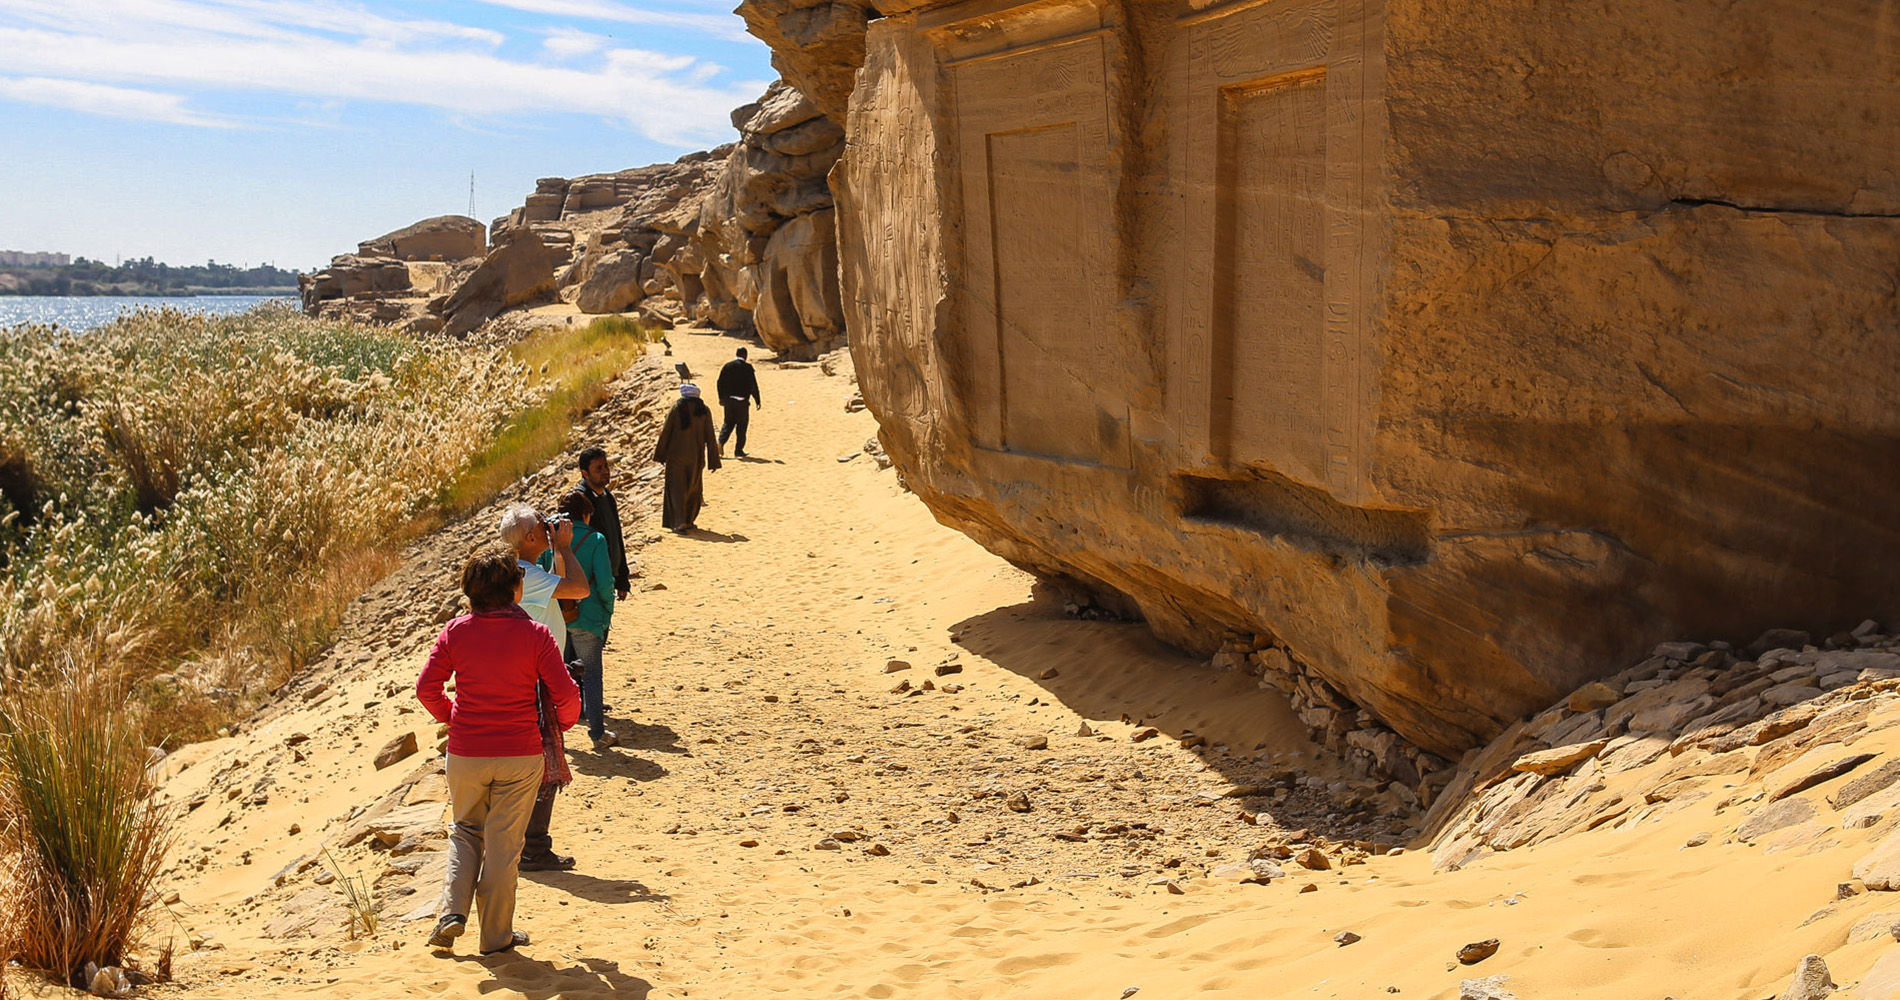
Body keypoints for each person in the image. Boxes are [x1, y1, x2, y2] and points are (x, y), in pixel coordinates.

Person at [416, 547, 579, 956]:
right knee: (504, 845)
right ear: (513, 588)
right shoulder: (536, 636)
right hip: (520, 752)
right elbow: (565, 696)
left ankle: (452, 913)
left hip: (467, 750)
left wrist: (453, 715)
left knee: (466, 831)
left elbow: (426, 689)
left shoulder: (455, 632)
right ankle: (495, 938)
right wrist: (568, 722)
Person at [498, 505, 591, 872]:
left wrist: (556, 552)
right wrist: (566, 546)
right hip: (538, 680)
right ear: (531, 538)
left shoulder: (519, 573)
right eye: (542, 525)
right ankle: (534, 848)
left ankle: (518, 843)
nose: (548, 526)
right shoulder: (528, 574)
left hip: (518, 674)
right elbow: (578, 590)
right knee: (546, 763)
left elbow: (557, 590)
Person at [557, 490, 619, 749]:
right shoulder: (595, 539)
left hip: (557, 617)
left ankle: (556, 738)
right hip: (589, 615)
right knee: (592, 673)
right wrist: (608, 608)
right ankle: (597, 733)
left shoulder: (552, 541)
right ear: (586, 513)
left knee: (554, 676)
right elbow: (605, 582)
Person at [655, 383, 722, 532]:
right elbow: (710, 437)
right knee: (693, 489)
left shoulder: (677, 408)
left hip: (676, 457)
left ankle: (679, 523)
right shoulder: (704, 410)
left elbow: (666, 431)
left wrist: (660, 455)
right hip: (696, 458)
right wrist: (714, 461)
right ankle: (689, 520)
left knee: (677, 490)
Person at [573, 447, 630, 601]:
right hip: (589, 581)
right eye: (599, 468)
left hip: (607, 577)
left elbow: (616, 537)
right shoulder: (579, 501)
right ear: (585, 473)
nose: (605, 471)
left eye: (606, 466)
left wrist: (622, 579)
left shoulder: (607, 497)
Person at [716, 346, 762, 457]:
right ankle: (738, 451)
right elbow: (753, 385)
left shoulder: (727, 366)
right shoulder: (748, 368)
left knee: (728, 423)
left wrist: (721, 397)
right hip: (742, 401)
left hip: (728, 400)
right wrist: (757, 399)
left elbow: (719, 382)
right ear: (745, 355)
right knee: (742, 426)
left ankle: (720, 442)